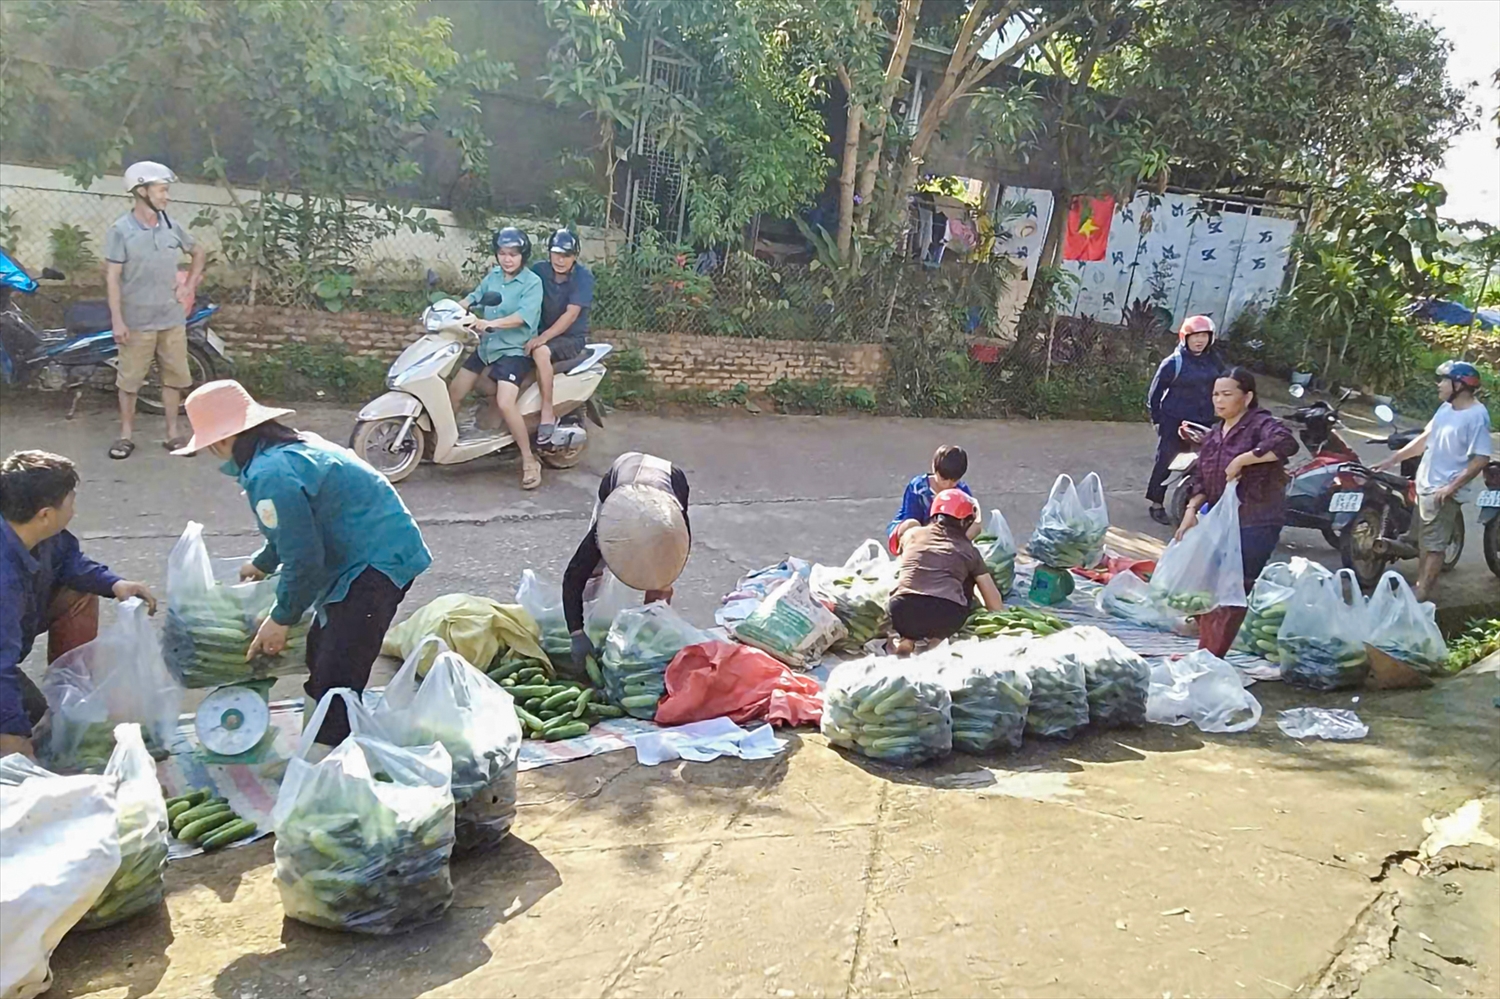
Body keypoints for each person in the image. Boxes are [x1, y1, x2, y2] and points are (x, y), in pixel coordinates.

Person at [173, 380, 431, 748]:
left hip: (377, 563)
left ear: (219, 440)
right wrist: (263, 561)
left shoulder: (270, 473)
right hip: (363, 552)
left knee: (338, 672)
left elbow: (305, 561)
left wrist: (280, 619)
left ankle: (329, 768)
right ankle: (320, 745)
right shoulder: (287, 448)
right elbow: (298, 528)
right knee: (322, 651)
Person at [1, 450, 157, 759]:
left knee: (43, 725)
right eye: (70, 502)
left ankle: (70, 692)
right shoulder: (3, 578)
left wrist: (114, 583)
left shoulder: (32, 529)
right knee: (23, 738)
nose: (73, 511)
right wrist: (12, 735)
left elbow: (69, 560)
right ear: (45, 514)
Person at [105, 161, 208, 460]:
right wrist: (117, 320)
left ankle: (173, 435)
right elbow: (112, 277)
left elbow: (198, 251)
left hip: (171, 319)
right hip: (136, 321)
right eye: (162, 189)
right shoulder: (120, 230)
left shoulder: (171, 225)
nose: (167, 196)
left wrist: (189, 285)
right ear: (141, 190)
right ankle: (125, 436)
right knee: (130, 381)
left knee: (174, 378)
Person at [1375, 360, 1492, 601]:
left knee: (1433, 546)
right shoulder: (1445, 409)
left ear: (1459, 385)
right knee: (1423, 542)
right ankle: (1419, 590)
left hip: (1443, 491)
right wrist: (1392, 459)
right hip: (1426, 486)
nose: (1439, 385)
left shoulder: (1476, 416)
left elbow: (1481, 459)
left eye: (1443, 381)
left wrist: (1451, 487)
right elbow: (1425, 438)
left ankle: (1421, 596)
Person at [564, 452, 690, 671]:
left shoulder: (672, 528)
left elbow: (668, 569)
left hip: (670, 480)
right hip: (624, 471)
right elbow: (573, 577)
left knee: (660, 581)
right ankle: (592, 611)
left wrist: (651, 623)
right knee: (592, 569)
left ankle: (651, 632)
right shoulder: (607, 527)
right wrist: (576, 631)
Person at [1177, 367, 1300, 589]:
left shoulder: (1260, 424)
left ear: (1247, 397)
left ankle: (1226, 623)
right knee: (1210, 579)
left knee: (1238, 583)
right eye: (1216, 394)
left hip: (1256, 519)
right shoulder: (1214, 434)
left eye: (1227, 394)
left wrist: (1243, 459)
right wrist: (1191, 510)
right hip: (1222, 518)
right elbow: (1201, 478)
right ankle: (1206, 623)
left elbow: (1286, 443)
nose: (1219, 400)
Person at [447, 226, 545, 489]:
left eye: (513, 254)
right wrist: (451, 309)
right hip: (486, 348)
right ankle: (441, 443)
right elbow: (474, 297)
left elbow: (522, 317)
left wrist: (491, 323)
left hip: (513, 351)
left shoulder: (532, 283)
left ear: (523, 256)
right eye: (502, 253)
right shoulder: (493, 277)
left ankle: (529, 460)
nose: (507, 259)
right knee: (455, 391)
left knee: (505, 401)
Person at [887, 489, 1004, 654]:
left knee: (912, 576)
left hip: (901, 610)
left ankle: (907, 639)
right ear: (965, 522)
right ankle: (937, 641)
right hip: (945, 615)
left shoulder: (912, 535)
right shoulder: (968, 550)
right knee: (966, 577)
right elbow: (994, 604)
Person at [1146, 315, 1225, 524]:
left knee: (1200, 464)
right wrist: (1156, 419)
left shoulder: (1214, 361)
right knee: (1166, 461)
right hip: (1174, 421)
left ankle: (1187, 504)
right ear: (1185, 337)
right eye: (1195, 336)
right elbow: (1155, 394)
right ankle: (1156, 503)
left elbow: (1226, 382)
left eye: (1204, 336)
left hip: (1204, 421)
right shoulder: (1174, 362)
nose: (1199, 341)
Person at [528, 229, 595, 447]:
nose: (560, 259)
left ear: (575, 256)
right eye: (556, 253)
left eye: (566, 255)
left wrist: (543, 338)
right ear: (549, 253)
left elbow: (571, 314)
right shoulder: (539, 270)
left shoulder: (583, 277)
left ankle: (547, 413)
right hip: (540, 332)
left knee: (540, 352)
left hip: (571, 338)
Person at [888, 444, 978, 554]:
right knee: (912, 524)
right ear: (934, 468)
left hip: (946, 538)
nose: (948, 484)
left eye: (954, 480)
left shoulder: (961, 491)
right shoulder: (918, 488)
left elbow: (971, 518)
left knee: (974, 527)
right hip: (916, 533)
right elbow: (911, 516)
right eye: (943, 479)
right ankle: (912, 558)